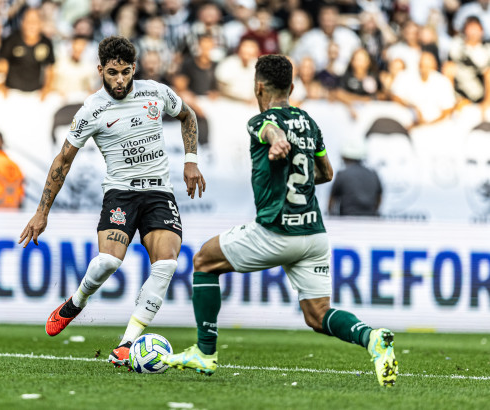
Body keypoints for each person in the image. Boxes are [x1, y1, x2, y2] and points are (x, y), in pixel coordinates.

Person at [161, 55, 398, 388]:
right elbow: (326, 173)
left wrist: (277, 141)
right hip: (314, 234)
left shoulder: (260, 121)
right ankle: (372, 338)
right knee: (317, 315)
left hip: (275, 231)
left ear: (258, 87)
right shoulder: (310, 122)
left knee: (203, 261)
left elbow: (269, 129)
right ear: (292, 86)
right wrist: (292, 167)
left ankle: (205, 352)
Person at [18, 36, 205, 369]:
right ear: (101, 70)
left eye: (125, 72)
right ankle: (75, 303)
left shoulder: (155, 92)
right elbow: (63, 160)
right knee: (108, 262)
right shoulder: (92, 109)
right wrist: (41, 212)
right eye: (112, 73)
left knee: (166, 264)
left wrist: (191, 159)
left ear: (134, 69)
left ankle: (126, 344)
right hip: (120, 193)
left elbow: (188, 116)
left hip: (159, 193)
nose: (119, 80)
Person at [329, 138, 382, 217]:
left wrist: (331, 217)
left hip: (346, 221)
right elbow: (379, 198)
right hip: (371, 221)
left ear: (345, 157)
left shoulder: (342, 174)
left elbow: (331, 201)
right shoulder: (373, 174)